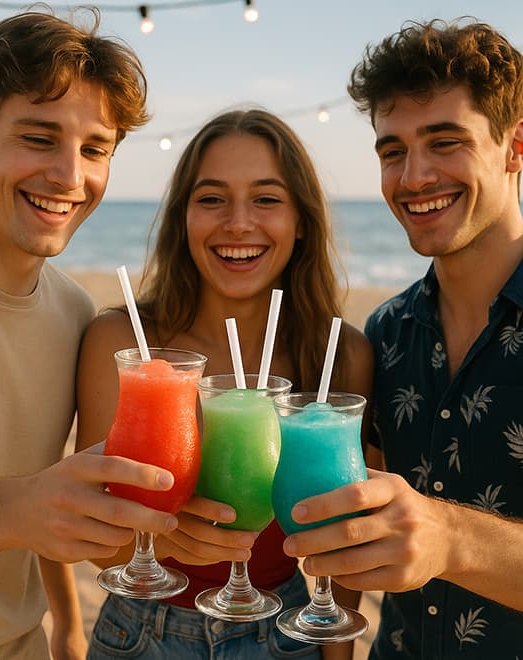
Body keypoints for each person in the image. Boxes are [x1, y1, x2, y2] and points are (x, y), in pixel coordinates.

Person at [0, 10, 174, 659]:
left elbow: (53, 494)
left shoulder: (78, 315)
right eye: (40, 138)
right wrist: (18, 509)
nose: (70, 176)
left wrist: (69, 630)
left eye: (95, 149)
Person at [74, 108, 371, 659]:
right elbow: (93, 540)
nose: (238, 223)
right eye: (211, 199)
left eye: (266, 198)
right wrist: (161, 540)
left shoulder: (341, 353)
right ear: (182, 217)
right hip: (142, 629)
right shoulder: (118, 343)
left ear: (301, 219)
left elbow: (346, 538)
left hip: (286, 629)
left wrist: (338, 653)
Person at [284, 19, 523, 657]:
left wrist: (453, 539)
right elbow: (353, 537)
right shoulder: (386, 332)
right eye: (393, 151)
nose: (414, 177)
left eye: (445, 142)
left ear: (514, 146)